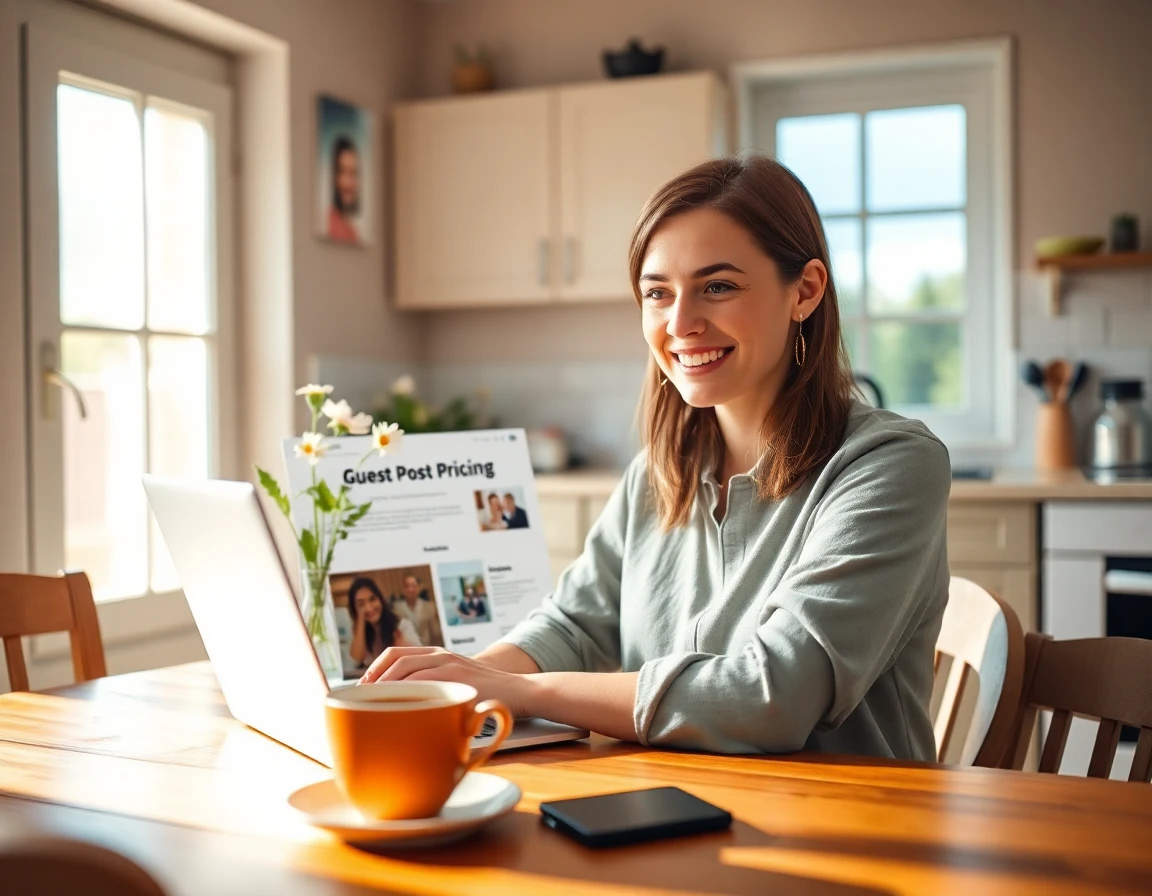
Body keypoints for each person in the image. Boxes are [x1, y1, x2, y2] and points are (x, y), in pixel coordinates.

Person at [358, 156, 950, 762]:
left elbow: (772, 697)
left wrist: (522, 692)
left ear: (805, 291)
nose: (681, 323)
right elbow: (573, 624)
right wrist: (458, 684)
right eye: (657, 294)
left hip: (848, 814)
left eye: (718, 287)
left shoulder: (890, 465)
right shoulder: (656, 473)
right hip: (674, 799)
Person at [347, 577, 418, 671]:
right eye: (361, 604)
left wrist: (403, 650)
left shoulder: (402, 626)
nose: (369, 608)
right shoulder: (360, 631)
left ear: (380, 599)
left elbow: (420, 659)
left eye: (372, 599)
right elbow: (357, 659)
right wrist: (360, 620)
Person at [392, 573, 444, 648]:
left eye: (414, 585)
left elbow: (435, 633)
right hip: (407, 649)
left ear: (419, 587)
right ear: (403, 589)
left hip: (426, 648)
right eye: (407, 586)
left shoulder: (429, 607)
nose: (410, 589)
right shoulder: (396, 609)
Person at [326, 135, 360, 244]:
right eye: (343, 172)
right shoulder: (328, 224)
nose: (349, 182)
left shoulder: (352, 231)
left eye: (353, 173)